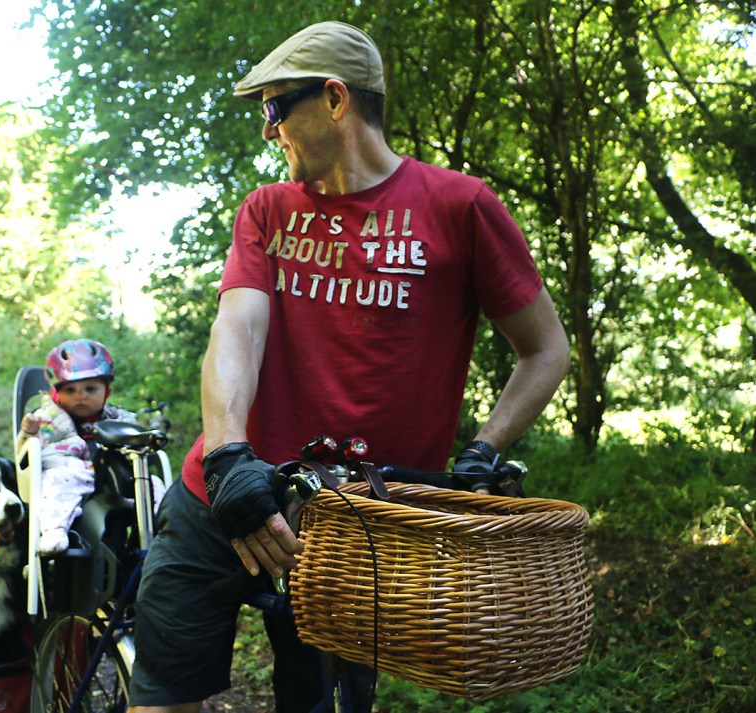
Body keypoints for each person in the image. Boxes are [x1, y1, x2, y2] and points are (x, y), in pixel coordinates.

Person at [127, 20, 570, 713]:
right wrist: (226, 456)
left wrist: (486, 447)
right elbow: (238, 329)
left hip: (351, 530)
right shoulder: (268, 209)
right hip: (221, 500)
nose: (268, 131)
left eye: (275, 109)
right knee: (161, 699)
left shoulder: (460, 206)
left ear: (334, 99)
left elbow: (546, 348)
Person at [15, 338, 164, 554]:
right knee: (56, 482)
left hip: (113, 480)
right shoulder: (47, 418)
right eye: (70, 390)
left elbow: (134, 432)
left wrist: (144, 435)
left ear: (107, 392)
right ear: (55, 394)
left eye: (90, 389)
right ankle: (54, 530)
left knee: (155, 485)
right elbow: (26, 453)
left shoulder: (116, 418)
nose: (81, 396)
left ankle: (166, 531)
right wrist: (29, 432)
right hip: (69, 473)